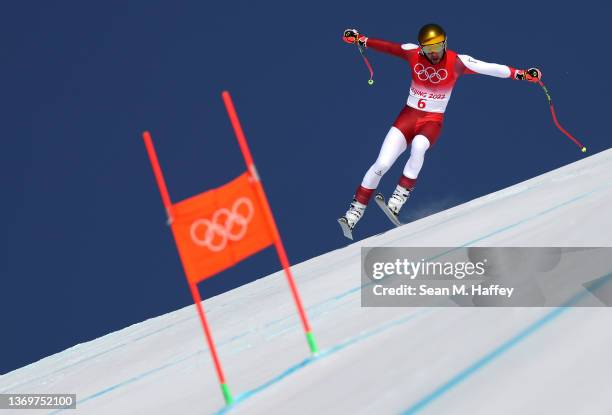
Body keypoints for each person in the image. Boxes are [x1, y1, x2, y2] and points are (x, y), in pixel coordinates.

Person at [339, 23, 542, 233]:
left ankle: (398, 198)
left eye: (437, 47)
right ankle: (354, 212)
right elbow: (387, 47)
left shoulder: (457, 61)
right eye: (428, 49)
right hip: (406, 118)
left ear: (445, 44)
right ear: (421, 48)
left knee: (419, 146)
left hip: (431, 121)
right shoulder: (413, 53)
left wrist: (522, 74)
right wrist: (360, 39)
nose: (434, 53)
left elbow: (490, 68)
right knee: (381, 164)